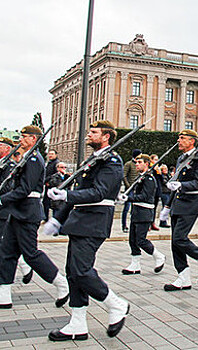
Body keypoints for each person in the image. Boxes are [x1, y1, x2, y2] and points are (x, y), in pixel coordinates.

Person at [45, 120, 129, 341]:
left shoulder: (112, 161)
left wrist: (67, 195)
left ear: (106, 137)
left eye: (94, 132)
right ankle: (78, 323)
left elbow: (99, 192)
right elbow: (79, 191)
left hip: (95, 221)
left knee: (82, 271)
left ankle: (116, 304)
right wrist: (58, 219)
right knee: (73, 272)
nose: (88, 135)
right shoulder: (93, 159)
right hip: (80, 220)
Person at [0, 126, 69, 309]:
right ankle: (4, 294)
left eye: (24, 137)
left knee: (31, 253)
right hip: (17, 211)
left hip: (27, 212)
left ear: (33, 139)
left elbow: (25, 189)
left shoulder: (33, 159)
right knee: (7, 253)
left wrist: (2, 200)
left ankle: (61, 283)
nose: (20, 140)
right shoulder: (27, 158)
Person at [161, 129, 198, 291]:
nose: (179, 140)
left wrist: (182, 185)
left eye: (182, 138)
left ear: (192, 141)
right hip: (178, 202)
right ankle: (183, 277)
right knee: (175, 243)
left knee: (180, 238)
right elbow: (175, 183)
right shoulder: (181, 158)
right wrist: (167, 206)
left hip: (192, 202)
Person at [118, 154, 166, 275]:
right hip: (137, 212)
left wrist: (128, 199)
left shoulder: (149, 179)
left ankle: (158, 256)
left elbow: (145, 196)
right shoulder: (140, 177)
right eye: (136, 162)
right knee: (132, 240)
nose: (137, 164)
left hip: (144, 212)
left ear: (146, 163)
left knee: (141, 240)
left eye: (139, 162)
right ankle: (135, 265)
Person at [0, 137, 33, 284]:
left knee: (5, 245)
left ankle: (24, 266)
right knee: (7, 245)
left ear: (7, 148)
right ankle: (24, 266)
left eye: (1, 145)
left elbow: (11, 187)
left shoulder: (9, 165)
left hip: (4, 209)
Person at [121, 149, 141, 232]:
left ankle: (133, 224)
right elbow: (124, 175)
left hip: (137, 188)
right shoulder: (128, 164)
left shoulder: (139, 164)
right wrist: (128, 185)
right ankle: (124, 225)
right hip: (130, 189)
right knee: (127, 207)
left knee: (134, 208)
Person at [43, 150, 59, 222]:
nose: (50, 155)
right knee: (45, 203)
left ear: (56, 155)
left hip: (53, 186)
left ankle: (53, 219)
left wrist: (47, 181)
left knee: (53, 204)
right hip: (48, 185)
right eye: (49, 154)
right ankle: (45, 218)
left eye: (52, 154)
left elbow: (55, 175)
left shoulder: (56, 163)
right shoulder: (49, 163)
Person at [149, 154, 161, 231]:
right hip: (151, 191)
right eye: (155, 159)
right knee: (150, 208)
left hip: (157, 190)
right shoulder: (150, 168)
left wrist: (160, 172)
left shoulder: (158, 169)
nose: (157, 161)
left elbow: (161, 180)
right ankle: (148, 223)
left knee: (155, 208)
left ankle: (152, 222)